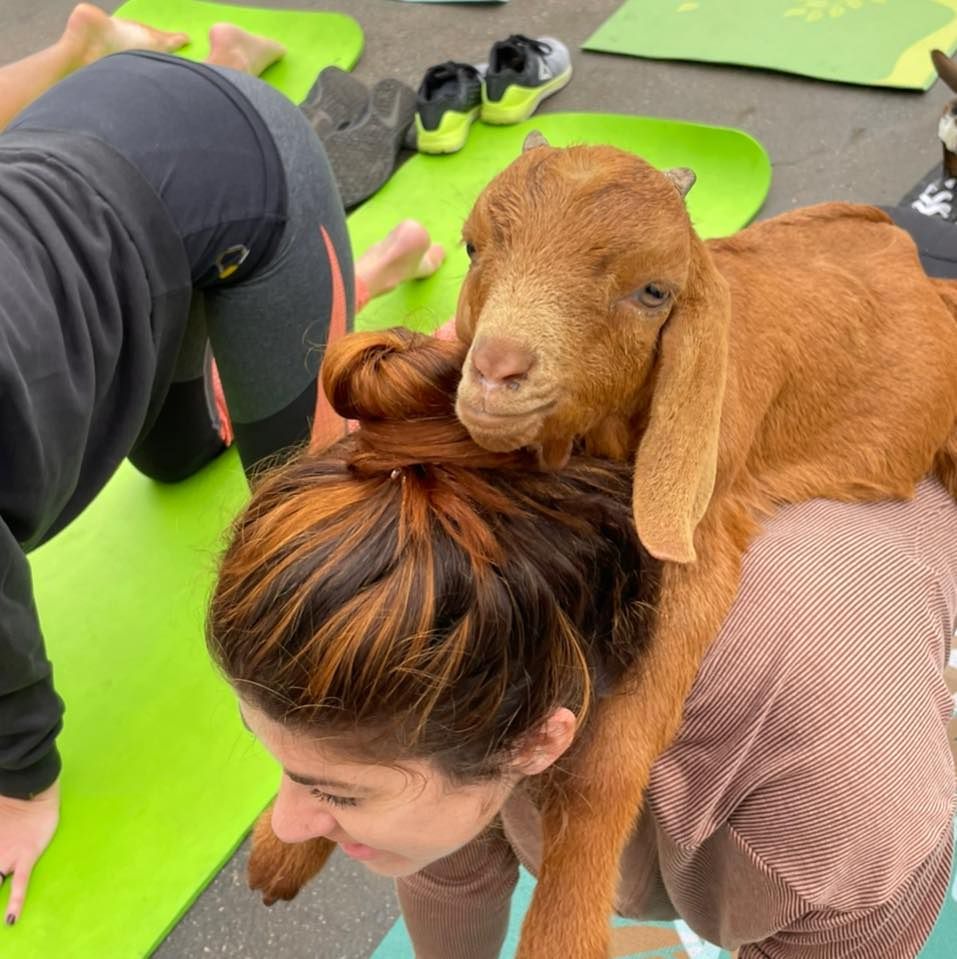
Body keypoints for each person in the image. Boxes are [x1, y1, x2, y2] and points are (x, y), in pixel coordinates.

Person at [206, 325, 955, 959]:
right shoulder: (472, 631)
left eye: (336, 789)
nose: (285, 824)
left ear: (535, 741)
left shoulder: (828, 802)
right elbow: (449, 851)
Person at [0, 22, 445, 924]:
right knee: (171, 459)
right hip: (120, 184)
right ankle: (349, 286)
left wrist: (21, 780)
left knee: (309, 532)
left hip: (242, 175)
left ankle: (348, 325)